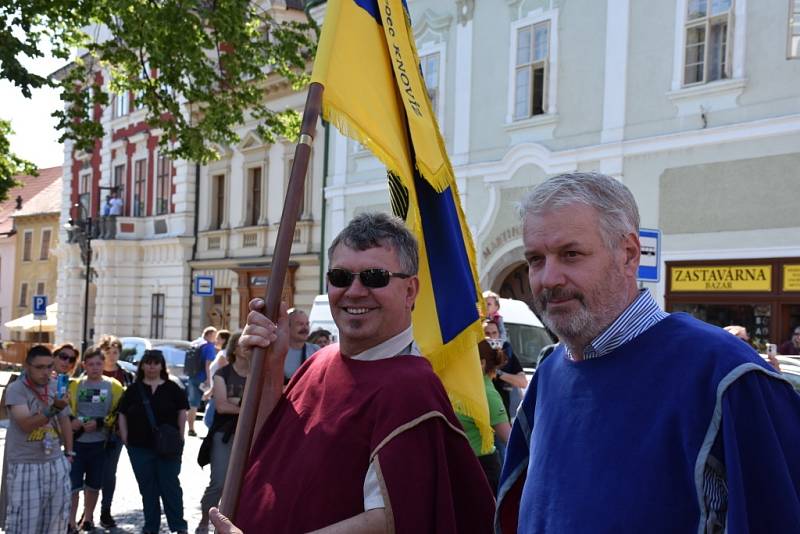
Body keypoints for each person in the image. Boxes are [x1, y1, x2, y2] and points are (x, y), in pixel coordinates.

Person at [496, 172, 800, 533]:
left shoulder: (724, 373)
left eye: (571, 254)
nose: (548, 278)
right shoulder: (549, 372)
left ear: (628, 254)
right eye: (535, 260)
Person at [210, 212, 494, 533]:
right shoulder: (319, 362)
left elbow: (390, 519)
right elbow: (266, 447)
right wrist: (272, 365)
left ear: (410, 291)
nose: (355, 291)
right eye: (341, 277)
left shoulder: (412, 388)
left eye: (374, 277)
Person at [1, 345, 73, 534]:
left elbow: (65, 421)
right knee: (24, 525)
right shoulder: (16, 389)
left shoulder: (56, 386)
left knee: (56, 524)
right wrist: (54, 408)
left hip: (55, 461)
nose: (46, 372)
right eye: (39, 367)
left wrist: (69, 453)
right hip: (26, 463)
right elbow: (26, 424)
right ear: (27, 366)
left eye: (49, 366)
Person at [118, 349, 189, 534]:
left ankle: (179, 526)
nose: (151, 366)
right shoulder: (133, 390)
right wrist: (125, 438)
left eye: (155, 363)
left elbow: (182, 411)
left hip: (169, 447)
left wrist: (181, 436)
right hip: (139, 447)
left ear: (161, 366)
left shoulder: (173, 388)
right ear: (142, 365)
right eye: (148, 362)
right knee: (148, 489)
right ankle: (151, 527)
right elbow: (122, 414)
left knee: (170, 486)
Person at [66, 347, 123, 533]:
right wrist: (76, 423)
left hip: (101, 444)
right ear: (84, 365)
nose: (95, 367)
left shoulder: (113, 385)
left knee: (94, 484)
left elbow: (117, 411)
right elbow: (68, 410)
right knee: (73, 485)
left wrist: (100, 423)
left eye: (99, 363)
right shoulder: (75, 385)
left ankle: (88, 518)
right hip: (77, 443)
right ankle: (71, 521)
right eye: (91, 364)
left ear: (104, 363)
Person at [196, 331, 246, 533]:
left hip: (252, 436)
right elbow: (222, 406)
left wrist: (237, 404)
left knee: (247, 484)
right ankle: (204, 521)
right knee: (219, 481)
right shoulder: (222, 374)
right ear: (234, 348)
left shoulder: (260, 372)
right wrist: (246, 407)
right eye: (244, 345)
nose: (249, 349)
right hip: (224, 434)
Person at [457, 339, 511, 495]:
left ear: (481, 363)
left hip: (483, 470)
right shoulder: (462, 388)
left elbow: (510, 438)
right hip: (465, 468)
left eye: (463, 359)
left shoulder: (487, 393)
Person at [96, 334, 134, 528]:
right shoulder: (93, 372)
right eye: (108, 352)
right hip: (90, 432)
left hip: (115, 433)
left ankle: (105, 511)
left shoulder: (126, 375)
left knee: (109, 473)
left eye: (115, 352)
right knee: (91, 472)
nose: (112, 356)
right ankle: (86, 514)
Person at [484, 319, 526, 415]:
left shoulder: (506, 353)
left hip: (503, 412)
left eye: (494, 333)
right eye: (487, 333)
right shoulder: (475, 354)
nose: (491, 337)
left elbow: (522, 382)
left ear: (499, 334)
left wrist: (498, 373)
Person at [187, 326, 217, 437]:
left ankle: (191, 429)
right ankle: (210, 429)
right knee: (210, 402)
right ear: (209, 335)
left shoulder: (195, 343)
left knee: (193, 404)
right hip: (203, 379)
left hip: (192, 377)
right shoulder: (209, 346)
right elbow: (208, 364)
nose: (215, 338)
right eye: (214, 335)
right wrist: (209, 380)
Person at [203, 329, 231, 429]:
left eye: (218, 338)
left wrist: (211, 390)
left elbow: (222, 375)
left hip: (218, 392)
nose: (215, 340)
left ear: (224, 340)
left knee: (209, 420)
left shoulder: (223, 355)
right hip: (218, 391)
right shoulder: (223, 353)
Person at [283, 308, 319, 382]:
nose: (305, 328)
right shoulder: (278, 352)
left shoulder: (316, 351)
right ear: (288, 327)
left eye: (307, 324)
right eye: (300, 324)